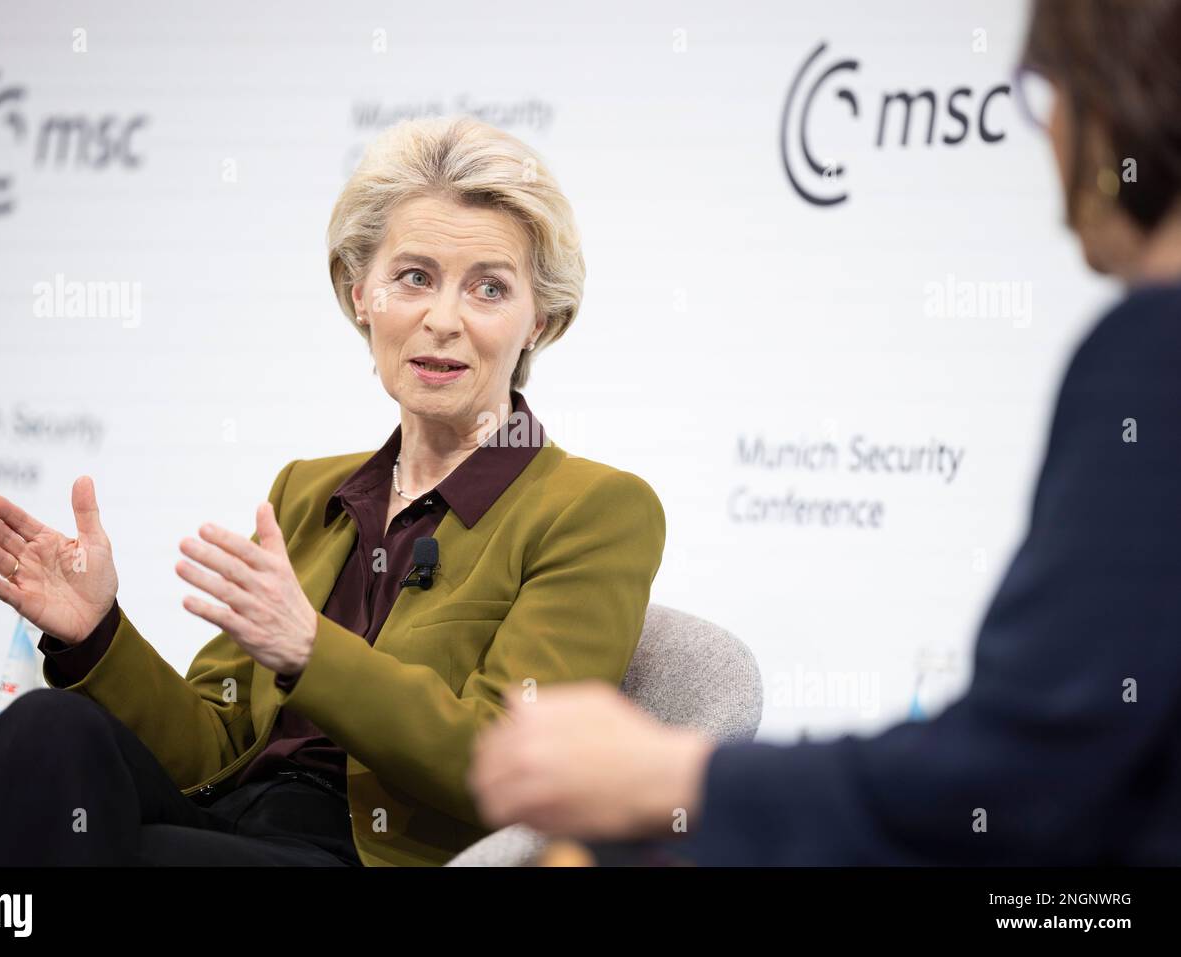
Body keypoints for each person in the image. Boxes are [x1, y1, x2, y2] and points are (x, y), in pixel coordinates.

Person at [467, 0, 1181, 866]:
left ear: (1115, 102)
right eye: (411, 277)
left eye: (1049, 95)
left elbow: (1017, 779)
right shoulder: (308, 493)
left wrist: (675, 774)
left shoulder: (1152, 352)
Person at [0, 115, 665, 868]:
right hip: (226, 821)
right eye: (414, 277)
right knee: (37, 736)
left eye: (489, 289)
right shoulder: (308, 490)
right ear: (361, 293)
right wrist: (96, 636)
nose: (442, 319)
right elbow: (210, 746)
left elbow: (507, 761)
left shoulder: (595, 510)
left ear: (541, 321)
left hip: (358, 853)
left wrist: (310, 651)